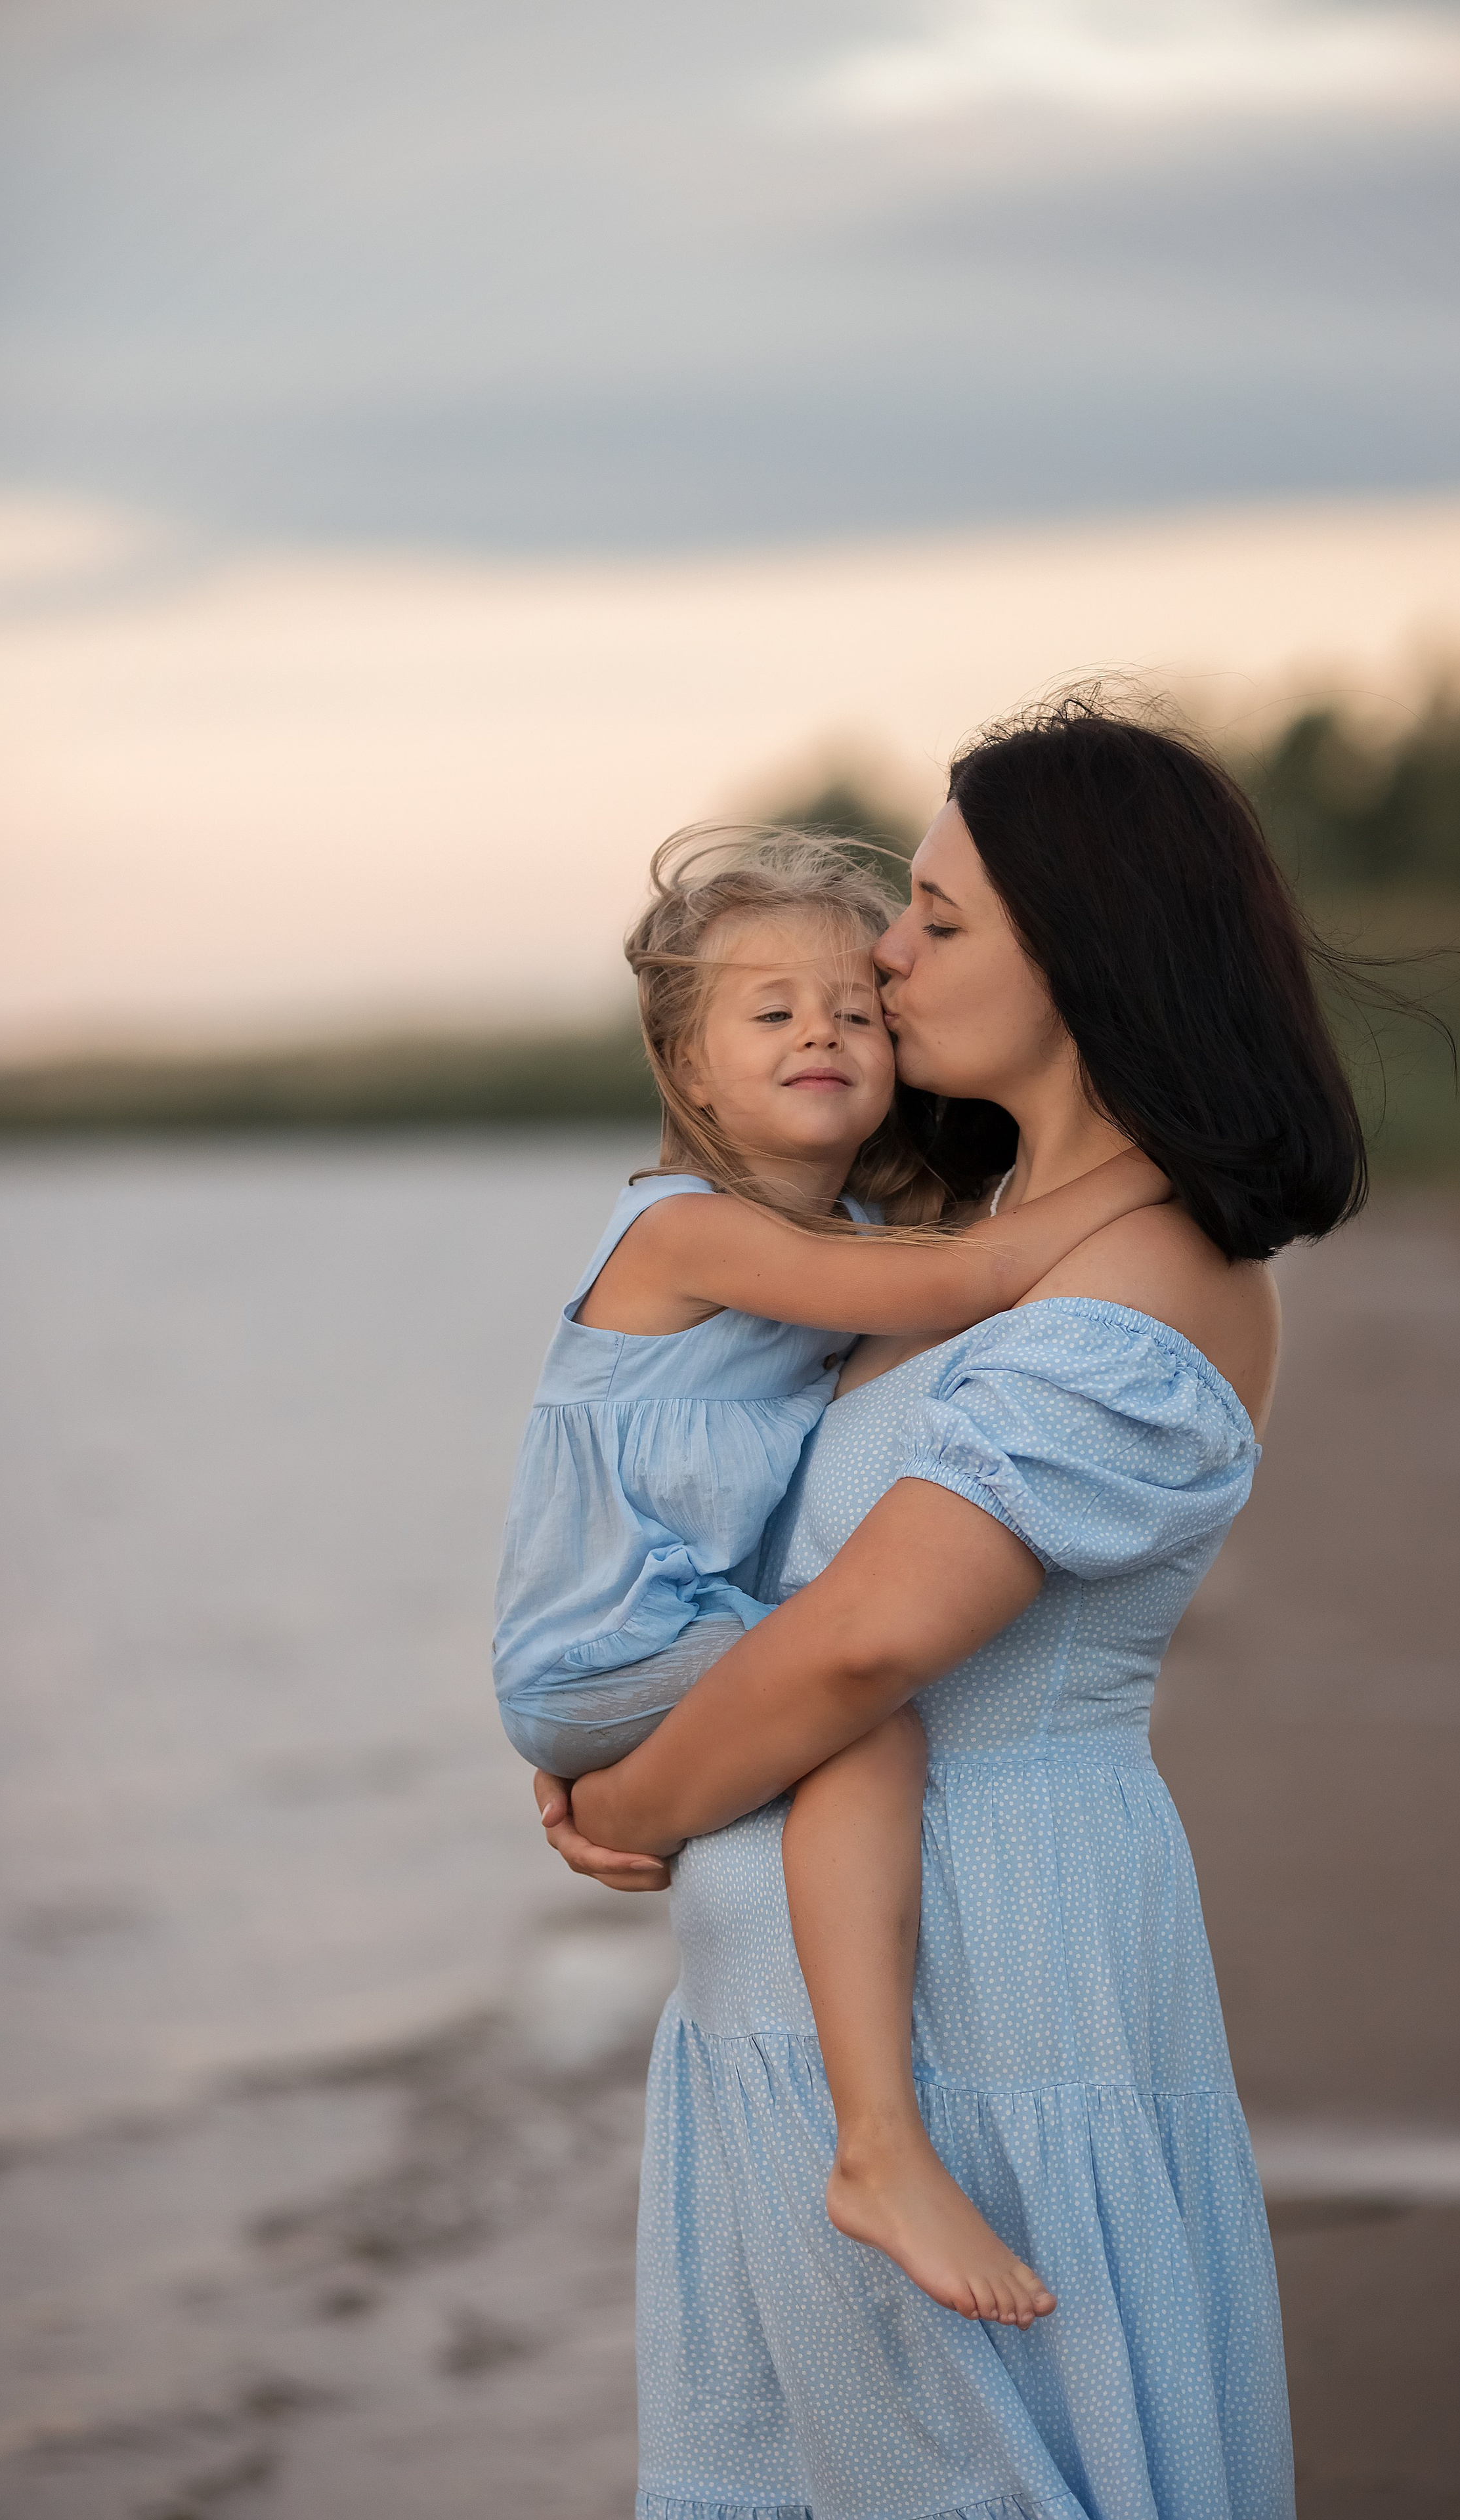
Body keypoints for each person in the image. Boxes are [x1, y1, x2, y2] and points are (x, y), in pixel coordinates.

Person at [537, 694, 1369, 2520]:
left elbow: (868, 1638)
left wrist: (638, 1804)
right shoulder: (970, 1236)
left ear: (1082, 956)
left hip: (991, 2003)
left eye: (935, 917)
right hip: (817, 2032)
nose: (884, 958)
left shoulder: (1141, 1279)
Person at [494, 829, 1170, 2326]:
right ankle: (876, 2146)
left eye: (853, 1011)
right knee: (863, 1720)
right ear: (687, 1065)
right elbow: (961, 1286)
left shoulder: (847, 1231)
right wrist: (1158, 1164)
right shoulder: (684, 1230)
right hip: (612, 1651)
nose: (822, 1031)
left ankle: (873, 2131)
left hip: (666, 1638)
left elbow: (946, 1295)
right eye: (770, 1012)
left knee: (846, 1707)